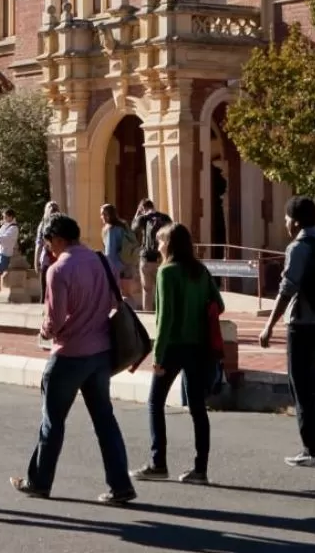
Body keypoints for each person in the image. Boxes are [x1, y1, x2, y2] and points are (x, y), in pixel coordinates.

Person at [13, 213, 136, 505]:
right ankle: (120, 485)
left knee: (52, 421)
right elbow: (113, 300)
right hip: (101, 352)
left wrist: (45, 330)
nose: (48, 249)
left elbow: (55, 320)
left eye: (48, 243)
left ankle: (39, 481)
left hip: (69, 353)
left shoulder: (58, 270)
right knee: (105, 420)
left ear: (57, 239)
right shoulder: (101, 261)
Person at [260, 195, 315, 467]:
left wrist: (268, 326)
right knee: (312, 377)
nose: (285, 223)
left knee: (299, 384)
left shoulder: (298, 248)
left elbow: (287, 289)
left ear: (296, 222)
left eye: (287, 218)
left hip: (300, 323)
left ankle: (312, 450)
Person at [137, 224, 223, 484]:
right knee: (198, 408)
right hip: (199, 347)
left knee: (155, 403)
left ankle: (158, 463)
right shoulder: (200, 271)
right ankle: (200, 469)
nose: (158, 246)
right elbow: (219, 304)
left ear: (170, 244)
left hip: (173, 347)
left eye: (161, 241)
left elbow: (165, 318)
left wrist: (157, 355)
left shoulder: (166, 272)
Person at [133, 199, 169, 307]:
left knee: (147, 290)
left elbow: (133, 228)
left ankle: (147, 313)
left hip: (146, 259)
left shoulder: (143, 218)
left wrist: (137, 213)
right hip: (161, 258)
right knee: (162, 288)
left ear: (143, 208)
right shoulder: (165, 217)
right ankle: (162, 310)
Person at [99, 203, 129, 284]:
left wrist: (106, 268)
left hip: (115, 267)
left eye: (104, 214)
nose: (102, 217)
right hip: (127, 263)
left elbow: (110, 252)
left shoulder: (110, 229)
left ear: (110, 215)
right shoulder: (123, 226)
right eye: (101, 214)